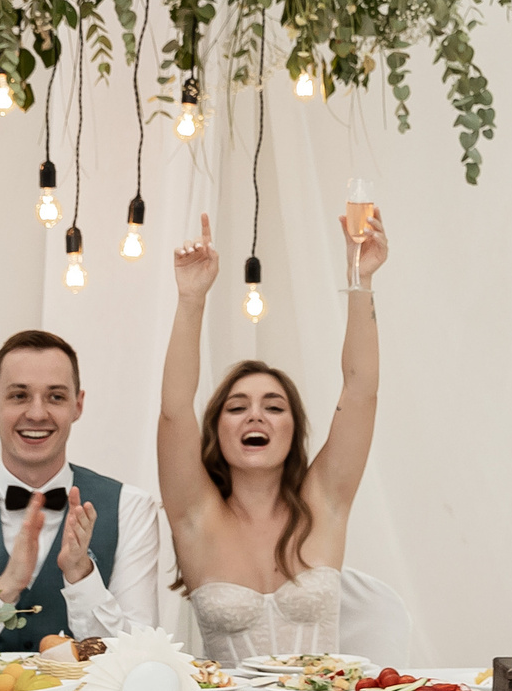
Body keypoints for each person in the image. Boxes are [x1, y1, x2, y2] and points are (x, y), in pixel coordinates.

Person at [160, 209, 386, 663]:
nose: (255, 417)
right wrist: (191, 300)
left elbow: (360, 391)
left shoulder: (326, 500)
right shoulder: (195, 515)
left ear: (294, 428)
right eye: (237, 407)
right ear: (216, 430)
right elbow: (174, 411)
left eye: (274, 407)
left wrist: (359, 282)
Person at [0, 328, 160, 653]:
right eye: (19, 395)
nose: (36, 413)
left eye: (56, 397)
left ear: (78, 405)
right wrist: (4, 590)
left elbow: (141, 654)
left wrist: (81, 576)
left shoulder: (130, 508)